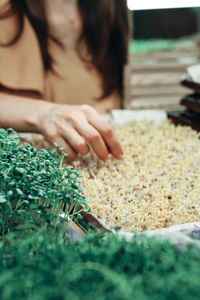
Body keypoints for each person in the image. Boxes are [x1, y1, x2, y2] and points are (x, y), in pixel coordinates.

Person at [0, 0, 129, 160]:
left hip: (99, 163)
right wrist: (43, 114)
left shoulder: (111, 9)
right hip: (28, 164)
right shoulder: (7, 11)